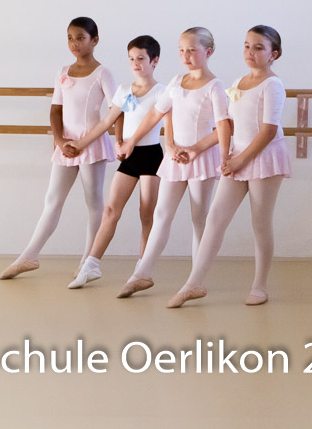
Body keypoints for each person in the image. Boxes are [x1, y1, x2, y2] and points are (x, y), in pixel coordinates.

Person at [167, 25, 291, 308]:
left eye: (258, 48)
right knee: (215, 218)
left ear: (274, 54)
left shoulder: (273, 85)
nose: (250, 52)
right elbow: (229, 125)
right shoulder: (238, 82)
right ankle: (194, 283)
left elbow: (268, 130)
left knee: (260, 222)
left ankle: (259, 286)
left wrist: (240, 159)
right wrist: (199, 148)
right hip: (238, 158)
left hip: (264, 158)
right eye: (247, 46)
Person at [115, 27, 231, 298]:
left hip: (200, 159)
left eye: (192, 50)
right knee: (161, 214)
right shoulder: (177, 81)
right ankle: (142, 274)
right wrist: (145, 142)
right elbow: (157, 114)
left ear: (208, 52)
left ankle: (195, 280)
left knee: (199, 219)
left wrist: (206, 153)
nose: (185, 56)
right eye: (181, 50)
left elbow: (224, 127)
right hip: (175, 158)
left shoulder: (215, 87)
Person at [0, 17, 117, 280]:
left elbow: (115, 111)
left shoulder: (103, 73)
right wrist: (61, 141)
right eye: (70, 38)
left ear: (95, 40)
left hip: (91, 145)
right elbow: (55, 110)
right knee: (52, 200)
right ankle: (29, 256)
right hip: (66, 145)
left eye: (80, 38)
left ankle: (88, 261)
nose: (74, 43)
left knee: (93, 202)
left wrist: (115, 140)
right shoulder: (63, 71)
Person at [66, 35, 169, 289]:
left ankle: (142, 270)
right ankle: (91, 265)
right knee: (110, 211)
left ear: (154, 61)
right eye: (131, 59)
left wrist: (130, 141)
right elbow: (108, 120)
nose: (135, 63)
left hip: (151, 156)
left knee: (147, 214)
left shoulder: (162, 92)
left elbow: (154, 123)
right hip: (129, 157)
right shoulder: (124, 89)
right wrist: (87, 143)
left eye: (141, 58)